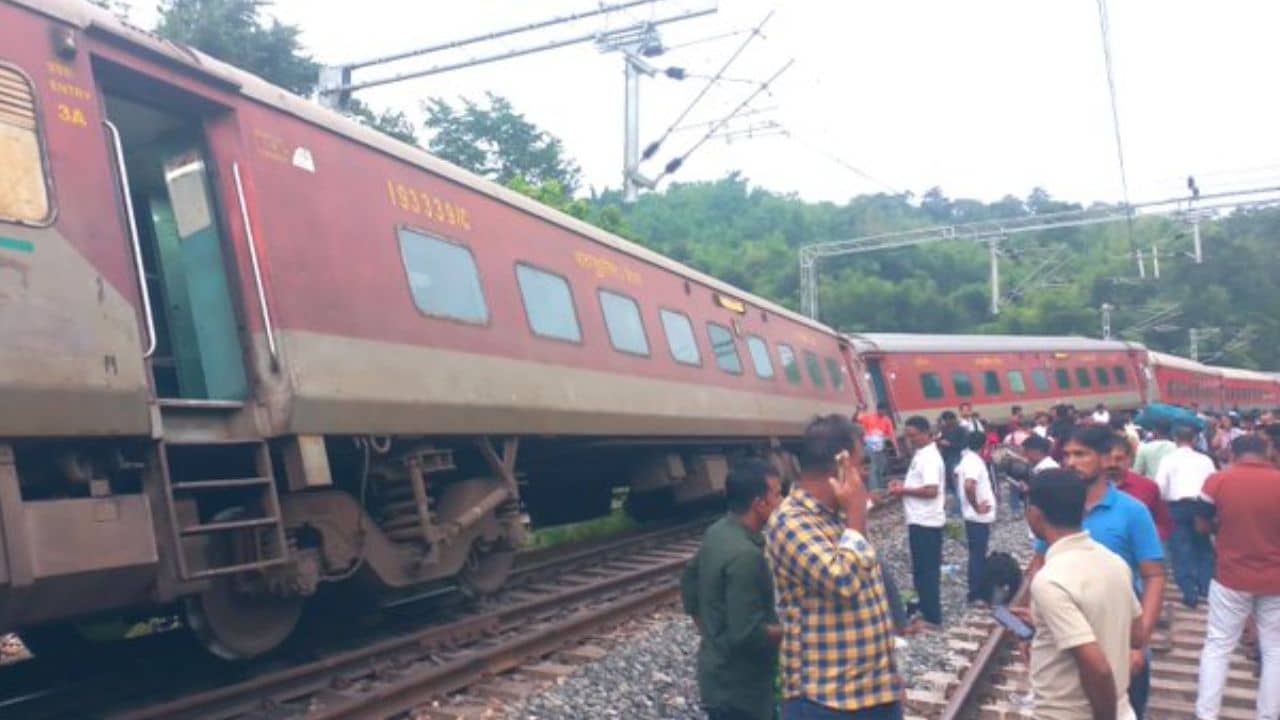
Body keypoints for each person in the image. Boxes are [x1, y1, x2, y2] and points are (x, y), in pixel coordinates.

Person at [764, 415, 902, 719]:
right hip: (827, 700)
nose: (865, 474)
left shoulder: (835, 515)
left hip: (873, 692)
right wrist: (856, 511)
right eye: (861, 464)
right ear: (842, 464)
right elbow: (844, 582)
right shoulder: (790, 522)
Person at [1024, 426, 1165, 719]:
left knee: (1123, 698)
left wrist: (1140, 645)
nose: (1071, 462)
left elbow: (1154, 576)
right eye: (1066, 455)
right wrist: (1035, 617)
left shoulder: (1132, 511)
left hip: (1116, 630)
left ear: (1105, 460)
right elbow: (1040, 561)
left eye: (1080, 454)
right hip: (1069, 629)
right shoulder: (1060, 507)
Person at [682, 459, 784, 720]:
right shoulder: (746, 556)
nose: (782, 501)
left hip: (716, 678)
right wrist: (794, 632)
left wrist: (712, 633)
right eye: (777, 494)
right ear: (759, 504)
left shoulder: (717, 532)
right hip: (742, 692)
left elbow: (689, 586)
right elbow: (747, 634)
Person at [1196, 434, 1280, 720]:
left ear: (1232, 452)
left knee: (1218, 646)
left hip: (1230, 577)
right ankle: (1268, 716)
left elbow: (1200, 525)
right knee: (1275, 649)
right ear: (1268, 452)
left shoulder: (1216, 482)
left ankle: (1206, 714)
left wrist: (1221, 528)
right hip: (1276, 580)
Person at [889, 416, 946, 628]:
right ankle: (925, 610)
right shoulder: (922, 454)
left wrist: (903, 490)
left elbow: (931, 490)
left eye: (913, 436)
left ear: (925, 433)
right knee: (921, 571)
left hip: (926, 522)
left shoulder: (930, 457)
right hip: (919, 521)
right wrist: (904, 485)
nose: (910, 440)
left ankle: (932, 617)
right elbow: (921, 485)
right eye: (908, 435)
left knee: (927, 572)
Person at [1153, 426, 1217, 609]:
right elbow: (1213, 482)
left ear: (1175, 439)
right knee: (1203, 546)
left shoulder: (1168, 459)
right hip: (1202, 506)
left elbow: (1161, 487)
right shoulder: (1205, 460)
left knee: (1181, 548)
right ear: (1195, 439)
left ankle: (1189, 591)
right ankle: (1205, 586)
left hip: (1178, 506)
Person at [1104, 437, 1172, 543]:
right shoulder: (1089, 488)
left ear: (1130, 460)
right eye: (1107, 459)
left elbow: (1162, 523)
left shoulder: (1148, 487)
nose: (1113, 464)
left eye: (1119, 459)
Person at [956, 430, 996, 605]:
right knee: (977, 555)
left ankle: (976, 591)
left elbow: (956, 475)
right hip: (976, 517)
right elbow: (969, 485)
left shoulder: (966, 459)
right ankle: (975, 594)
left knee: (977, 553)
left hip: (973, 516)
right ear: (984, 445)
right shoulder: (974, 462)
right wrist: (975, 506)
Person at [858, 402, 898, 492]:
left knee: (881, 467)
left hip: (880, 447)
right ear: (878, 410)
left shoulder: (887, 420)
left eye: (885, 411)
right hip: (870, 448)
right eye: (882, 410)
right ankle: (875, 490)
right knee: (873, 468)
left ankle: (880, 487)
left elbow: (891, 435)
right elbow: (860, 423)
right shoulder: (869, 417)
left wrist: (896, 448)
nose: (883, 413)